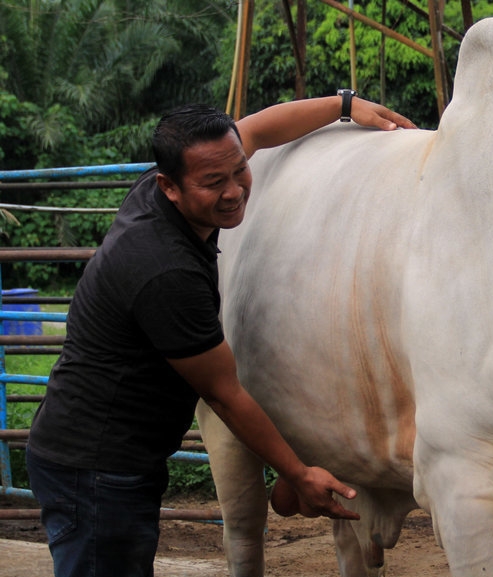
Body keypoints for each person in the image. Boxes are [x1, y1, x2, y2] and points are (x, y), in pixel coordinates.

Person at [25, 93, 416, 577]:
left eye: (239, 172)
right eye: (215, 183)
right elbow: (225, 394)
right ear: (170, 186)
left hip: (113, 459)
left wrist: (344, 105)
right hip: (96, 468)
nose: (234, 191)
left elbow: (256, 130)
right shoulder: (164, 271)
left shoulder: (171, 185)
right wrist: (298, 474)